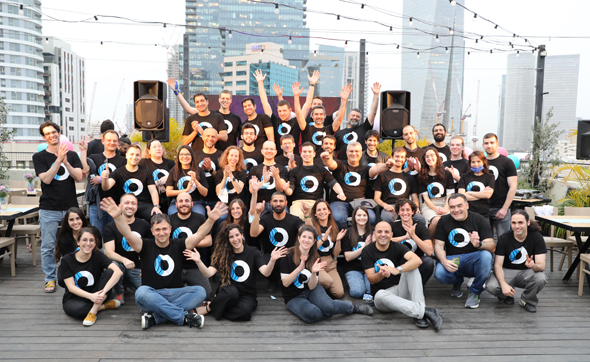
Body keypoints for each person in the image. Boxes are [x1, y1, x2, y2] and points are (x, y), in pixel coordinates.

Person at [101, 197, 227, 329]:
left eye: (165, 229)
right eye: (158, 230)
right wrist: (117, 218)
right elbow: (127, 233)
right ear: (152, 231)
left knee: (200, 291)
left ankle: (157, 317)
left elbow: (199, 235)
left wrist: (211, 220)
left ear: (170, 229)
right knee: (141, 293)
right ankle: (184, 317)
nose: (162, 233)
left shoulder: (179, 244)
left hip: (176, 294)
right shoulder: (144, 245)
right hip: (154, 294)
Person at [186, 224, 288, 321]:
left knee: (244, 314)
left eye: (237, 235)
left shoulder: (253, 252)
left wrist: (272, 260)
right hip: (228, 292)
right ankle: (216, 305)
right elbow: (208, 273)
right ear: (228, 239)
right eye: (231, 237)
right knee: (232, 292)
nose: (235, 239)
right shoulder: (224, 254)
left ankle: (212, 307)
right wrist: (198, 261)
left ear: (242, 235)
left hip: (247, 294)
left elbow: (266, 272)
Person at [280, 225, 373, 323]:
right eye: (304, 237)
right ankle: (336, 307)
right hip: (293, 297)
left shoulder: (314, 257)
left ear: (314, 241)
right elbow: (285, 283)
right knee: (312, 314)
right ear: (299, 238)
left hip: (311, 290)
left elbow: (312, 287)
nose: (306, 240)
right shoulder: (287, 255)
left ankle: (353, 307)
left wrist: (314, 273)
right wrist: (299, 269)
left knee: (328, 306)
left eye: (310, 238)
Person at [362, 221, 442, 331]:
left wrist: (397, 270)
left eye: (386, 232)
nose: (383, 234)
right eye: (380, 232)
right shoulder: (368, 251)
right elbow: (371, 279)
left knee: (412, 268)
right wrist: (381, 274)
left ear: (391, 234)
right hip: (383, 299)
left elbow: (417, 260)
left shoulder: (397, 247)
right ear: (374, 234)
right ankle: (423, 312)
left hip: (400, 289)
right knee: (380, 294)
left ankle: (419, 313)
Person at [34, 121, 84, 293]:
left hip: (70, 208)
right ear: (44, 137)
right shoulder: (39, 157)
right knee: (48, 246)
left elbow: (79, 177)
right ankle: (50, 279)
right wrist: (58, 160)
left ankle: (76, 275)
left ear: (59, 132)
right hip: (49, 208)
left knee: (74, 243)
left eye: (54, 132)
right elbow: (46, 179)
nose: (51, 135)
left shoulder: (72, 155)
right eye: (47, 133)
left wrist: (66, 162)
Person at [433, 193, 495, 309]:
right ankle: (457, 282)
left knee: (486, 256)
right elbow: (438, 247)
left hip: (473, 258)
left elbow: (492, 246)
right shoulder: (444, 221)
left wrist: (479, 244)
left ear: (467, 205)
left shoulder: (479, 219)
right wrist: (444, 261)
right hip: (454, 259)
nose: (456, 210)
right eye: (452, 207)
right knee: (440, 273)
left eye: (459, 206)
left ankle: (475, 292)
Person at [486, 210, 548, 313]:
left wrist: (533, 265)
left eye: (520, 222)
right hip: (507, 270)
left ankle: (527, 300)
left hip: (527, 271)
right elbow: (497, 265)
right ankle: (506, 296)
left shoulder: (536, 237)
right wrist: (503, 284)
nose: (517, 226)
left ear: (528, 222)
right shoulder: (504, 237)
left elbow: (541, 266)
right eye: (513, 223)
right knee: (492, 287)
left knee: (540, 278)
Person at [59, 227, 123, 326]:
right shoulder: (67, 260)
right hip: (75, 298)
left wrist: (102, 293)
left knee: (110, 272)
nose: (88, 243)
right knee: (80, 311)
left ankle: (93, 311)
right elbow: (71, 287)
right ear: (78, 242)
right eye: (84, 240)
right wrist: (91, 296)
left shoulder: (98, 255)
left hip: (98, 293)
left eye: (91, 240)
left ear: (95, 243)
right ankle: (103, 306)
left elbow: (118, 272)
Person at [323, 141, 392, 230]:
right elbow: (331, 164)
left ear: (361, 153)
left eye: (356, 151)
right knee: (338, 217)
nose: (354, 153)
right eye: (351, 151)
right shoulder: (340, 165)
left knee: (370, 217)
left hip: (360, 202)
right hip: (339, 202)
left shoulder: (365, 169)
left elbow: (376, 168)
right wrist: (327, 159)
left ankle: (360, 238)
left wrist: (386, 165)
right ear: (347, 153)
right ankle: (345, 239)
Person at [250, 189, 304, 293]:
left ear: (286, 203)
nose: (278, 204)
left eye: (281, 201)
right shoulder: (266, 219)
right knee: (263, 260)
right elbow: (253, 233)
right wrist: (257, 214)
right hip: (271, 255)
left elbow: (306, 232)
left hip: (289, 255)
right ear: (271, 203)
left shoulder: (294, 219)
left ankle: (289, 280)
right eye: (275, 201)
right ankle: (273, 281)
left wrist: (306, 215)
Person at [103, 193, 150, 304]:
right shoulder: (110, 226)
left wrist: (146, 268)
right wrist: (124, 260)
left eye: (133, 203)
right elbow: (109, 252)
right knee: (112, 265)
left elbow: (149, 250)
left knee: (147, 292)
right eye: (126, 203)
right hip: (119, 264)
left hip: (137, 268)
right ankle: (119, 291)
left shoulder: (144, 225)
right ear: (120, 206)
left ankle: (125, 283)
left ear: (137, 207)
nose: (130, 206)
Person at [80, 130, 127, 235]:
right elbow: (85, 169)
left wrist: (101, 179)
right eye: (109, 140)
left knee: (116, 237)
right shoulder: (94, 157)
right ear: (103, 141)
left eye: (114, 141)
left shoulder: (123, 161)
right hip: (96, 205)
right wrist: (84, 151)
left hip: (116, 204)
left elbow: (121, 178)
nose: (112, 143)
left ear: (118, 143)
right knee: (96, 238)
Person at [167, 78, 233, 149]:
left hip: (215, 156)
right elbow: (185, 142)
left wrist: (205, 133)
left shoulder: (217, 116)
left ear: (207, 102)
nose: (200, 104)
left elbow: (224, 137)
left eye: (202, 101)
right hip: (196, 156)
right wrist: (195, 131)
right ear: (195, 104)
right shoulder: (191, 119)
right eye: (197, 102)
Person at [101, 144, 162, 222]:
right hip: (125, 205)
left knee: (157, 218)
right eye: (131, 154)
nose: (134, 157)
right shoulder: (118, 172)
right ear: (126, 155)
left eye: (137, 155)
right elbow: (106, 187)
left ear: (140, 157)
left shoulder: (146, 172)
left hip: (143, 204)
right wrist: (105, 178)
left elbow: (153, 191)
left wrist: (156, 206)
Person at [169, 192, 213, 298]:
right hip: (175, 266)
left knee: (207, 295)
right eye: (181, 201)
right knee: (169, 295)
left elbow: (209, 241)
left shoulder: (200, 218)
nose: (184, 203)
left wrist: (187, 245)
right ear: (176, 205)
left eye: (187, 201)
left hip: (194, 266)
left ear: (192, 204)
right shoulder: (169, 220)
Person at [286, 142, 345, 220]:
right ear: (301, 153)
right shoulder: (294, 171)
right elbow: (290, 191)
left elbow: (333, 183)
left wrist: (341, 193)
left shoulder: (321, 170)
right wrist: (286, 189)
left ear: (314, 154)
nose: (307, 154)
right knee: (296, 220)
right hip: (298, 203)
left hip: (317, 204)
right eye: (304, 151)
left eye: (310, 152)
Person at [294, 81, 351, 154]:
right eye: (316, 114)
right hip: (309, 162)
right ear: (312, 116)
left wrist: (344, 100)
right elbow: (299, 115)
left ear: (324, 116)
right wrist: (296, 96)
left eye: (321, 114)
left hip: (325, 162)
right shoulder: (306, 128)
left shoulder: (329, 129)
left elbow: (339, 118)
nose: (319, 116)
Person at [255, 70, 305, 153]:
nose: (282, 113)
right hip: (278, 159)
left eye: (284, 110)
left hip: (294, 158)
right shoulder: (275, 121)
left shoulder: (296, 122)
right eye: (280, 111)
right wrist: (260, 82)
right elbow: (265, 103)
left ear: (290, 110)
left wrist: (296, 96)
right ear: (277, 111)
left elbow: (299, 113)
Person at [304, 199, 345, 299]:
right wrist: (323, 239)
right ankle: (312, 287)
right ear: (315, 214)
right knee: (327, 281)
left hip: (330, 263)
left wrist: (338, 241)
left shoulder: (334, 227)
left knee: (339, 293)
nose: (322, 212)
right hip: (315, 262)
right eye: (319, 210)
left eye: (324, 209)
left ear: (329, 211)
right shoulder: (312, 226)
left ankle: (319, 288)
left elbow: (335, 254)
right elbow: (310, 248)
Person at [390, 199, 435, 286]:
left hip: (416, 262)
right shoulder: (393, 226)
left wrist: (413, 235)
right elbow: (384, 242)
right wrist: (404, 237)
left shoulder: (420, 227)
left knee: (429, 262)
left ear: (413, 212)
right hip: (398, 262)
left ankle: (419, 286)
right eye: (402, 210)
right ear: (398, 212)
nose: (405, 213)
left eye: (408, 210)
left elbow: (429, 251)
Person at [374, 147, 423, 224]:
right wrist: (385, 205)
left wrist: (416, 207)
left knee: (420, 219)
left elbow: (415, 198)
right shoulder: (382, 175)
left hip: (406, 207)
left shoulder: (409, 177)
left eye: (402, 157)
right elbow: (376, 198)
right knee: (388, 218)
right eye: (397, 156)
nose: (399, 159)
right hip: (390, 206)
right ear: (392, 157)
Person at [482, 133, 518, 238]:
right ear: (483, 145)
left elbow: (513, 187)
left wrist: (504, 208)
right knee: (486, 241)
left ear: (497, 144)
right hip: (483, 208)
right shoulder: (480, 163)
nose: (489, 146)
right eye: (486, 143)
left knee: (504, 240)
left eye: (492, 143)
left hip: (501, 207)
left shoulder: (507, 162)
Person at [334, 82, 381, 160]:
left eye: (357, 116)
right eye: (353, 115)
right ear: (348, 116)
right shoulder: (339, 133)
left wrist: (376, 95)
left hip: (360, 166)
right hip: (343, 167)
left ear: (361, 119)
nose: (355, 117)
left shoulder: (364, 128)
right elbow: (334, 151)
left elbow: (373, 112)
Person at [417, 147, 455, 238]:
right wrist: (435, 209)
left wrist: (446, 208)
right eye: (427, 157)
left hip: (446, 202)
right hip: (430, 204)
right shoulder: (422, 175)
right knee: (436, 220)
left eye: (432, 155)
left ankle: (440, 244)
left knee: (448, 220)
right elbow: (425, 198)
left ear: (437, 157)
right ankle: (428, 243)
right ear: (424, 159)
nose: (430, 158)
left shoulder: (447, 174)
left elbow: (450, 194)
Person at [340, 206, 373, 300]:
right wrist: (364, 246)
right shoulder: (348, 233)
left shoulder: (373, 231)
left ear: (368, 217)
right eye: (359, 215)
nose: (362, 218)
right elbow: (348, 257)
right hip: (353, 268)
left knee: (371, 289)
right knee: (357, 292)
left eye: (364, 215)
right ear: (354, 217)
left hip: (369, 267)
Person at [166, 145, 208, 215]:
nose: (185, 157)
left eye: (187, 154)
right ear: (178, 157)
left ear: (192, 156)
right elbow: (168, 192)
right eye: (181, 154)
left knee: (200, 215)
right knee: (173, 215)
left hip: (195, 203)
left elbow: (205, 193)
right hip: (178, 202)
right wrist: (185, 190)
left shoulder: (199, 170)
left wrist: (195, 180)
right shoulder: (173, 171)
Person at [248, 141, 288, 214]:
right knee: (253, 222)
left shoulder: (282, 169)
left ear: (276, 152)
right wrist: (264, 182)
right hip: (259, 203)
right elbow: (251, 189)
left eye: (271, 149)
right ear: (262, 151)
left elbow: (280, 189)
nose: (269, 151)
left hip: (277, 203)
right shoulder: (254, 169)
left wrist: (276, 177)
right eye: (266, 149)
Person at [139, 139, 176, 214]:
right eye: (154, 147)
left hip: (168, 199)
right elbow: (141, 180)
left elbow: (177, 177)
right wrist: (157, 183)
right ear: (148, 151)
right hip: (149, 200)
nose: (158, 148)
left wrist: (167, 178)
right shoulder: (144, 162)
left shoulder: (170, 163)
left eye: (159, 146)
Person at [458, 151, 495, 219]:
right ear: (470, 163)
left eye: (478, 161)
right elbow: (461, 196)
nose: (476, 164)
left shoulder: (490, 177)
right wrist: (482, 194)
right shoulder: (464, 176)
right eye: (473, 162)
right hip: (467, 213)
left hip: (484, 214)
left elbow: (487, 195)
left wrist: (470, 193)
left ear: (483, 162)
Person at [194, 128, 223, 211]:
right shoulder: (195, 155)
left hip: (216, 199)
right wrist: (201, 171)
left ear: (217, 139)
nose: (210, 139)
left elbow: (222, 178)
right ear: (202, 137)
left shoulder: (222, 155)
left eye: (213, 136)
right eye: (208, 136)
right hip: (198, 200)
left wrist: (210, 169)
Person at [360, 130, 390, 199]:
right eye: (370, 140)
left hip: (378, 190)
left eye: (374, 140)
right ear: (365, 141)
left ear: (378, 142)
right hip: (363, 189)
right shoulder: (360, 156)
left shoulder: (384, 156)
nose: (372, 143)